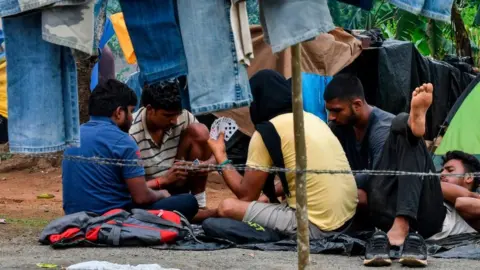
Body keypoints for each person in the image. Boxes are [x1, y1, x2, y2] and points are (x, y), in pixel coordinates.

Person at [325, 79, 479, 267]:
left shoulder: (465, 201)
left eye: (450, 170)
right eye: (442, 169)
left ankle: (412, 129)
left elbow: (464, 199)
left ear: (469, 178)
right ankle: (412, 128)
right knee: (402, 125)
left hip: (428, 218)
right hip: (388, 206)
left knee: (401, 125)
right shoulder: (339, 128)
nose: (442, 173)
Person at [207, 70, 358, 239]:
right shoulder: (311, 119)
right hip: (348, 219)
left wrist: (220, 155)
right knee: (263, 200)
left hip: (318, 226)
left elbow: (246, 195)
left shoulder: (267, 131)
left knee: (227, 207)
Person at [62, 79, 198, 221]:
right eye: (131, 111)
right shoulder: (124, 141)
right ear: (119, 112)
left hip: (74, 218)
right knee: (188, 202)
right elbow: (141, 198)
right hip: (113, 218)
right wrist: (162, 194)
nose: (132, 118)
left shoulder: (73, 137)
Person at [129, 79, 216, 222]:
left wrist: (206, 164)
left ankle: (199, 204)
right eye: (168, 116)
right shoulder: (132, 133)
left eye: (177, 114)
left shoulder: (182, 116)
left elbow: (217, 153)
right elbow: (133, 191)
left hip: (179, 185)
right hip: (151, 194)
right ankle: (198, 214)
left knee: (199, 130)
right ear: (150, 109)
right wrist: (164, 180)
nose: (174, 120)